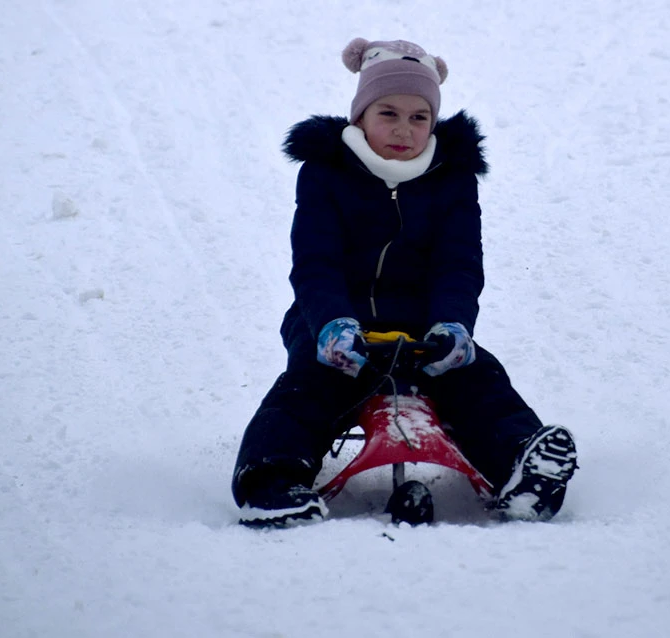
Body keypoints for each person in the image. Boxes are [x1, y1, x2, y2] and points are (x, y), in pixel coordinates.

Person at [232, 37, 577, 527]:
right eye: (388, 113)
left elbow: (457, 263)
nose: (403, 129)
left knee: (478, 379)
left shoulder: (451, 178)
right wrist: (331, 322)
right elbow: (316, 262)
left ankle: (523, 469)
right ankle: (270, 479)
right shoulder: (325, 174)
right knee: (310, 386)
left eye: (419, 118)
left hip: (422, 325)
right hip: (333, 321)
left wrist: (453, 326)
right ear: (360, 116)